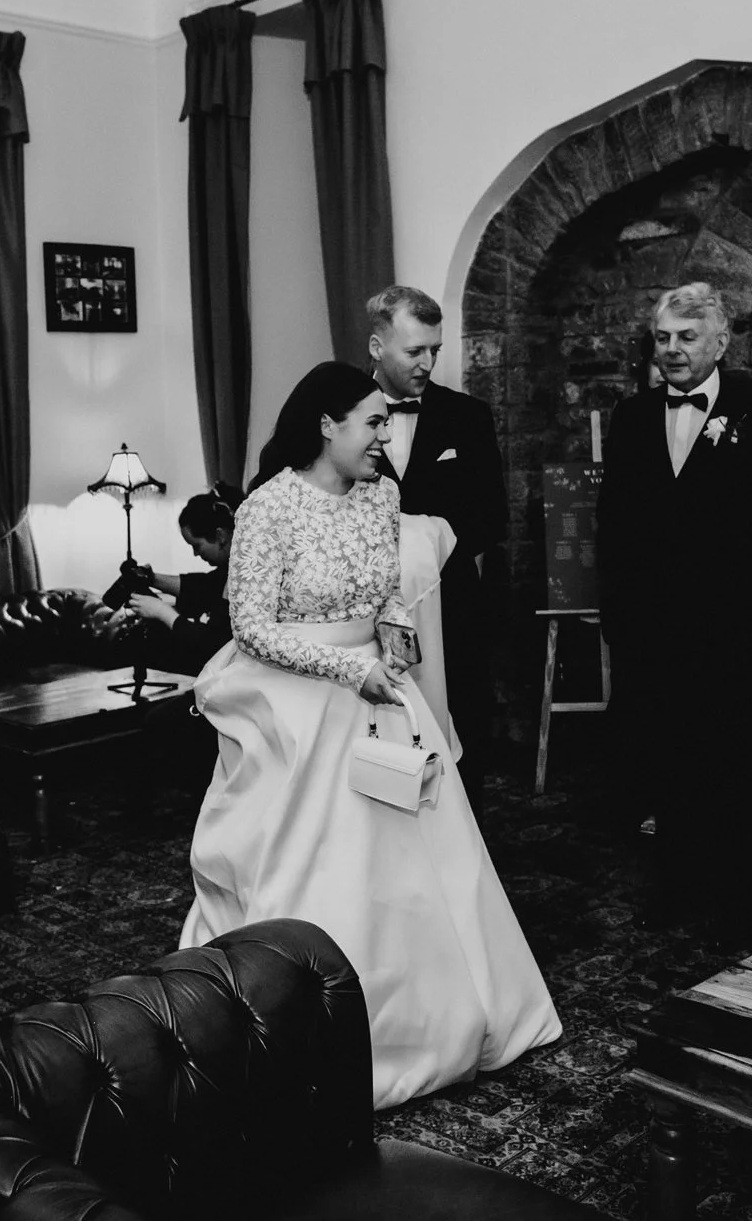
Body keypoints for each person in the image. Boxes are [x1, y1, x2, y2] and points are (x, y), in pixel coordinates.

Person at [180, 361, 562, 1110]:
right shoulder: (271, 506)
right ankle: (307, 1027)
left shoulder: (384, 494)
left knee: (424, 863)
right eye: (373, 421)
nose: (386, 436)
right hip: (299, 705)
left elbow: (390, 589)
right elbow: (250, 627)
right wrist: (345, 669)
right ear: (327, 423)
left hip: (383, 693)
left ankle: (445, 1017)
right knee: (319, 860)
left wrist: (392, 640)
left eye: (388, 421)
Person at [596, 281, 752, 941]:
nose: (672, 350)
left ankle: (741, 897)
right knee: (667, 763)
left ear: (719, 342)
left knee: (735, 765)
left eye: (687, 337)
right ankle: (675, 886)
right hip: (654, 637)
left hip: (735, 636)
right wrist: (620, 624)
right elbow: (615, 528)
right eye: (663, 338)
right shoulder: (631, 417)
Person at [366, 285, 507, 822]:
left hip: (452, 607)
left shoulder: (467, 416)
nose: (427, 363)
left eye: (434, 351)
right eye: (413, 351)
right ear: (377, 347)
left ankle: (463, 836)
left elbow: (491, 516)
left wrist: (429, 549)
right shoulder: (338, 414)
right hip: (365, 613)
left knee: (461, 722)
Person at [125, 482, 242, 676]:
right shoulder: (232, 568)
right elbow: (204, 586)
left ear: (220, 535)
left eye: (197, 545)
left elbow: (212, 643)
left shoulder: (241, 575)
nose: (196, 554)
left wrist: (162, 612)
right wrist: (151, 579)